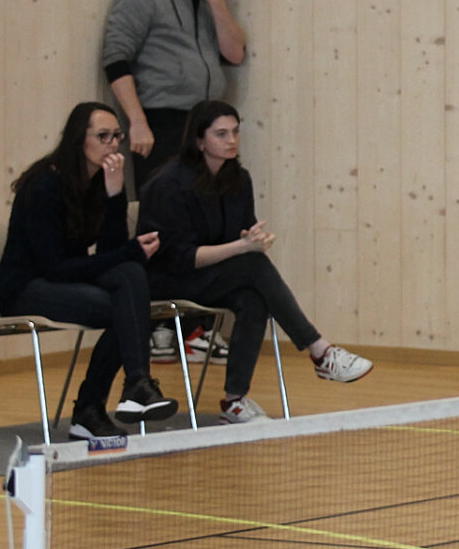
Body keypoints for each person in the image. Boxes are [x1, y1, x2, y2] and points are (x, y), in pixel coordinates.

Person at [140, 100, 373, 423]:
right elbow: (181, 257)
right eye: (221, 134)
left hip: (209, 276)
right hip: (167, 279)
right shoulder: (169, 184)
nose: (232, 140)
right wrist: (242, 248)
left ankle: (234, 402)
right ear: (199, 140)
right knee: (252, 265)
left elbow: (239, 237)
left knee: (253, 298)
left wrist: (252, 240)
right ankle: (320, 351)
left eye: (235, 132)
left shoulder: (238, 179)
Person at [102, 0, 247, 363]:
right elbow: (116, 58)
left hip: (200, 123)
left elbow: (234, 52)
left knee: (203, 223)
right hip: (161, 120)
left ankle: (195, 325)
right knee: (163, 225)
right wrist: (136, 121)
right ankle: (160, 326)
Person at [0, 103, 180, 440]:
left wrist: (114, 193)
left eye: (117, 136)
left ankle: (136, 383)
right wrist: (130, 251)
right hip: (26, 286)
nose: (113, 144)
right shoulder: (44, 185)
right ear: (79, 139)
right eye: (103, 136)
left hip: (67, 276)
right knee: (124, 309)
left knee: (130, 275)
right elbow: (54, 267)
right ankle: (94, 406)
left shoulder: (99, 180)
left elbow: (111, 253)